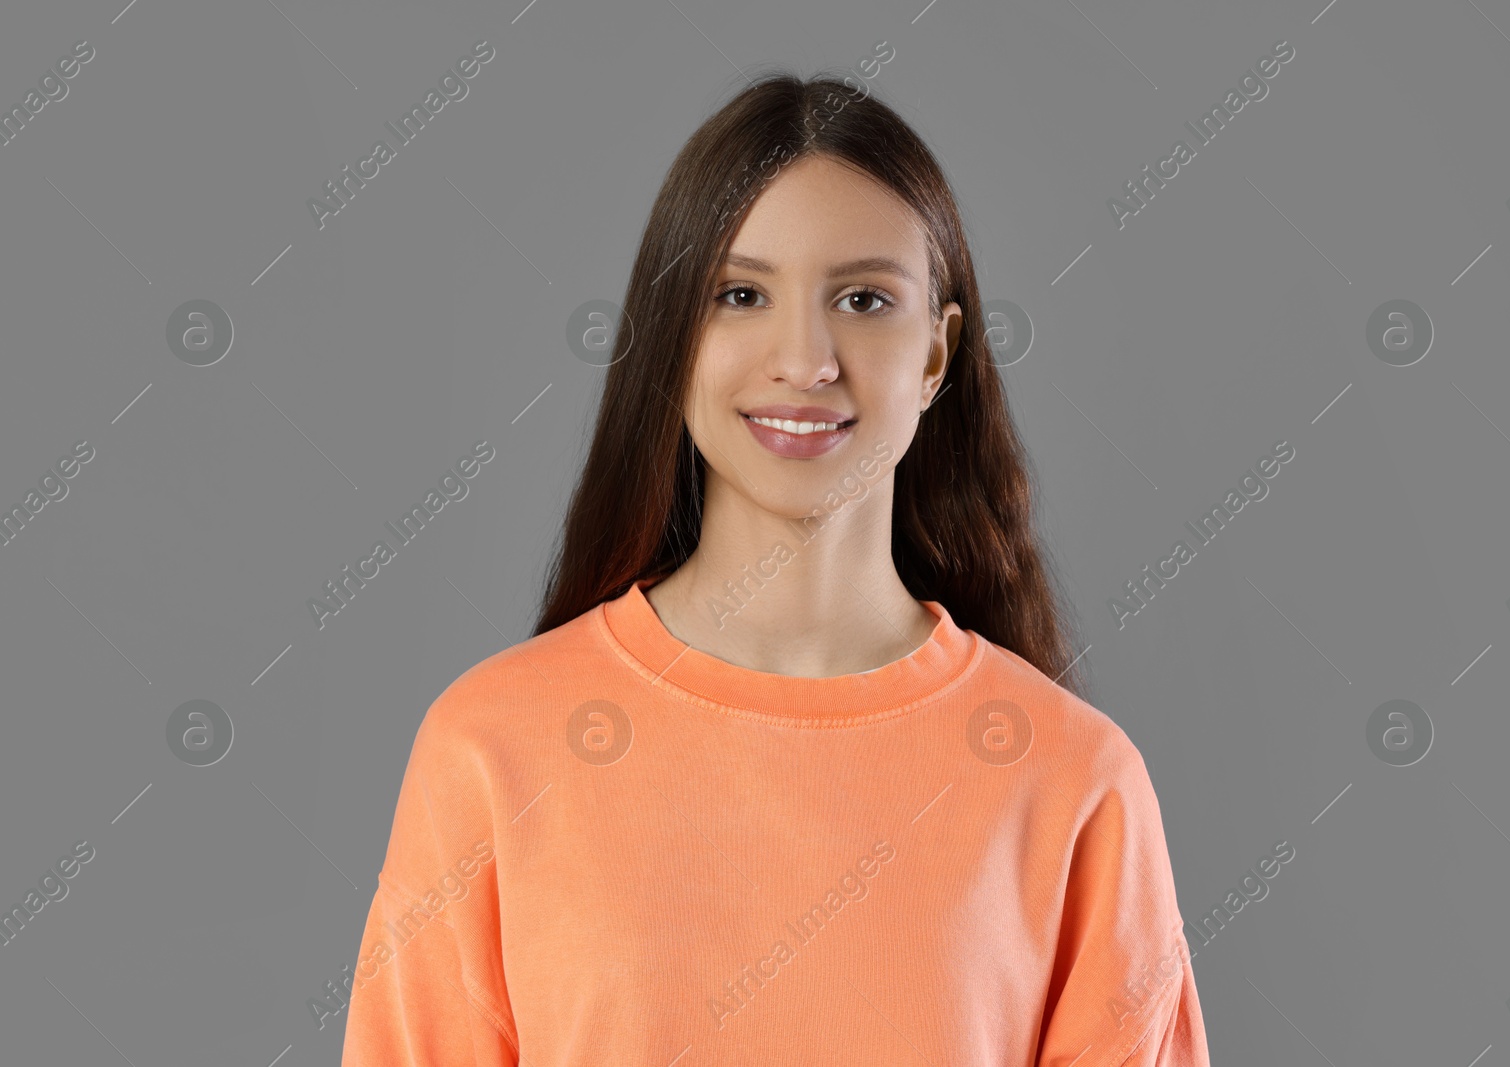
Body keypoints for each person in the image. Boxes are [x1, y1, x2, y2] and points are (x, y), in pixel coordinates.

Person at [340, 70, 1210, 1066]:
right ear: (672, 341)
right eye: (740, 294)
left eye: (863, 298)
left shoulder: (1074, 781)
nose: (804, 358)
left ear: (936, 354)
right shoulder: (491, 749)